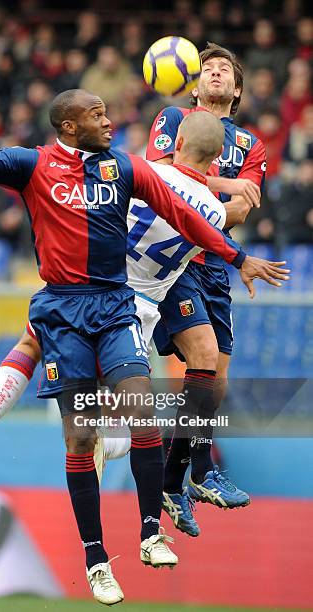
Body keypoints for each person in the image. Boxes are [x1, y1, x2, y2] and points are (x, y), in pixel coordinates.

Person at [0, 91, 286, 606]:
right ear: (68, 126)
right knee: (80, 440)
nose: (109, 122)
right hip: (63, 310)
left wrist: (239, 259)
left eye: (106, 113)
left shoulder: (125, 168)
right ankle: (96, 560)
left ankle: (151, 530)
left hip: (116, 306)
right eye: (97, 116)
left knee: (141, 410)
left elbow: (180, 212)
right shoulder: (32, 165)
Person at [0, 112, 288, 544]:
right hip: (142, 312)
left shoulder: (141, 170)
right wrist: (237, 232)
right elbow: (214, 222)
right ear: (220, 155)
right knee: (139, 411)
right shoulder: (212, 213)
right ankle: (145, 484)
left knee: (32, 348)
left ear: (176, 139)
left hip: (95, 287)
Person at [146, 43, 268, 533]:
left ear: (236, 91)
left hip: (216, 264)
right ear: (194, 84)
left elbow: (242, 210)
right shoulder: (172, 119)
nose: (216, 72)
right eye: (208, 68)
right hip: (174, 258)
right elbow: (161, 180)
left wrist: (211, 195)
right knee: (200, 354)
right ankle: (197, 474)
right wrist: (224, 188)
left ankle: (181, 483)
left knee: (214, 385)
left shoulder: (250, 145)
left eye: (226, 71)